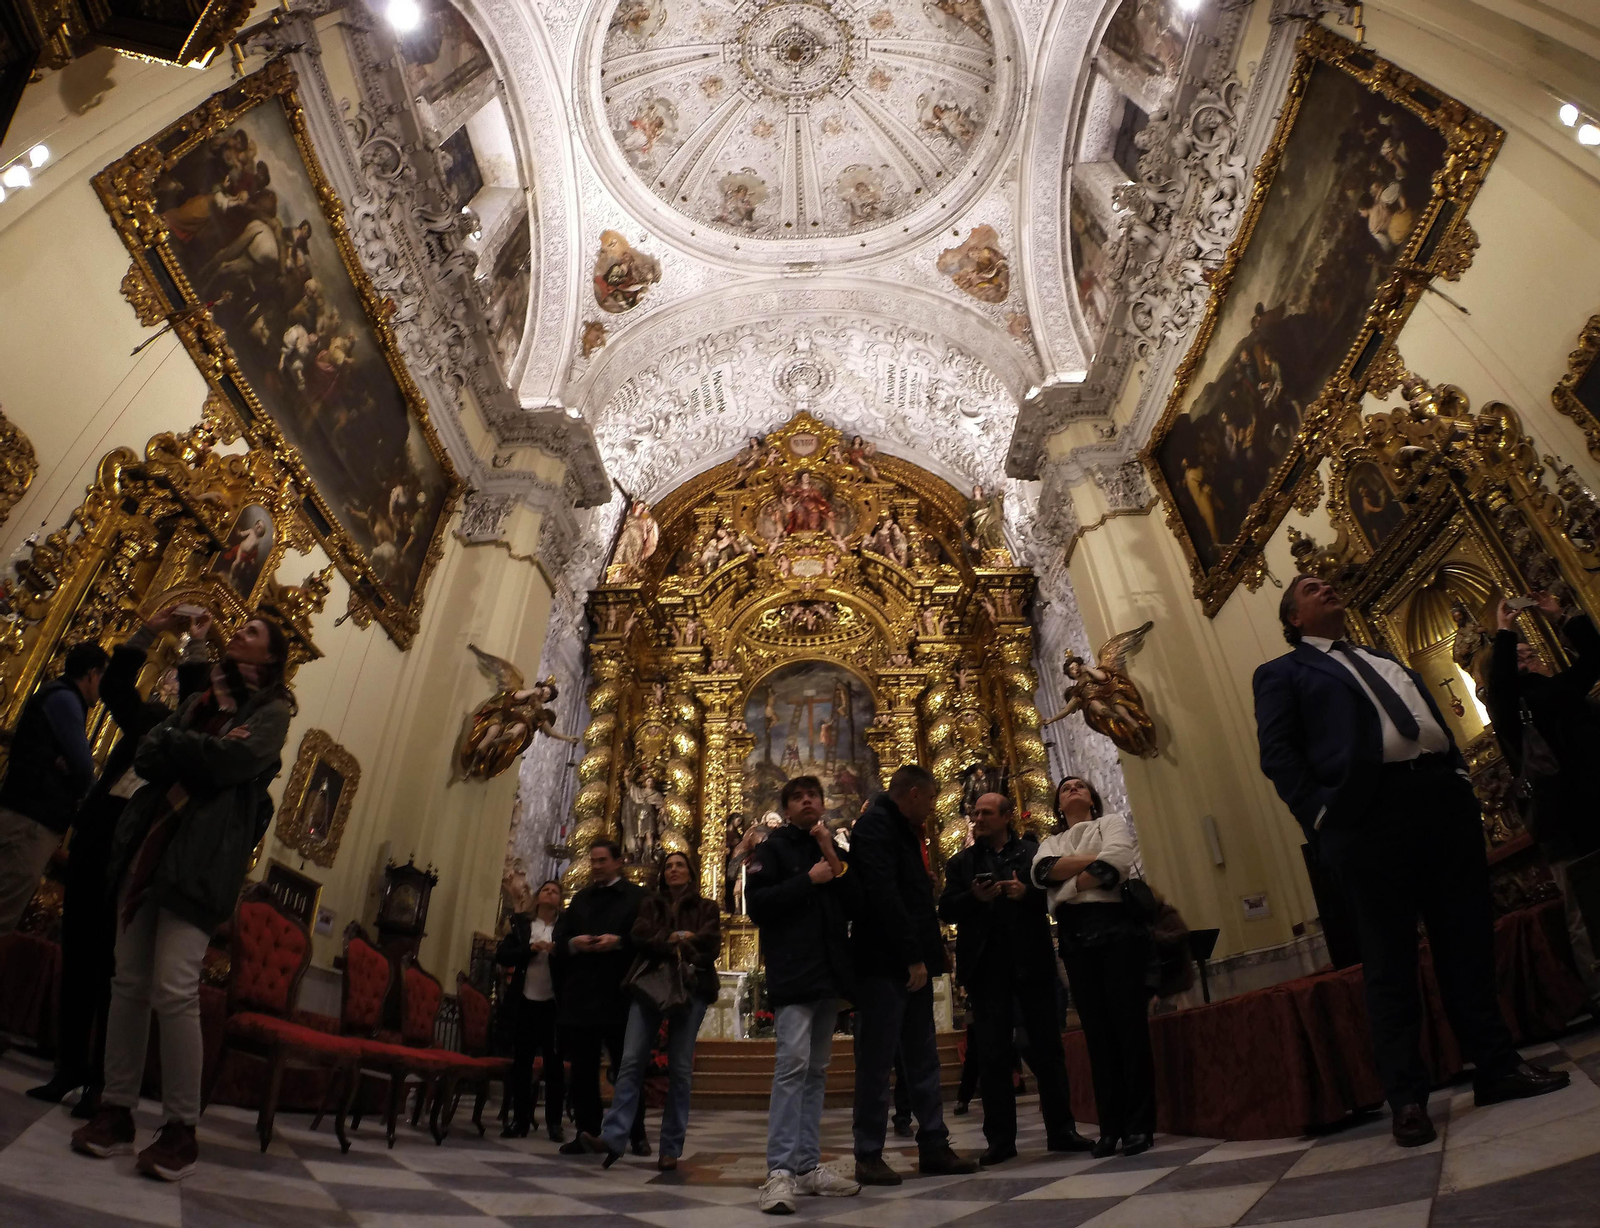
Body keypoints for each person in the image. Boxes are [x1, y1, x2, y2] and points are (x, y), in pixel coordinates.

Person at [1254, 575, 1569, 1148]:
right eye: (1309, 586)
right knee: (1389, 959)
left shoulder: (1381, 655)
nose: (1324, 585)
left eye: (1325, 581)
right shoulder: (1283, 673)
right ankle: (1407, 1098)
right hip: (1367, 818)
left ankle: (1496, 1068)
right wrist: (1324, 818)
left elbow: (1432, 723)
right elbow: (1277, 754)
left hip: (1439, 803)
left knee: (1466, 944)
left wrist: (1455, 777)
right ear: (1293, 618)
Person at [71, 614, 295, 1181]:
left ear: (269, 659)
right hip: (151, 847)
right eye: (238, 628)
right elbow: (147, 753)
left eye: (249, 634)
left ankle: (179, 1129)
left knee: (173, 989)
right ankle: (116, 1110)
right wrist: (187, 744)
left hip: (200, 863)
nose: (237, 634)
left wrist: (181, 746)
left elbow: (231, 763)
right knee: (128, 984)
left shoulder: (271, 712)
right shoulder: (200, 699)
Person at [28, 608, 211, 1113]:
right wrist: (150, 629)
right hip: (98, 832)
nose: (176, 692)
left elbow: (196, 695)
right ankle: (68, 1068)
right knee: (79, 949)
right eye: (171, 683)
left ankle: (101, 1082)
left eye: (186, 686)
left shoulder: (195, 739)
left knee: (115, 964)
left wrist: (197, 644)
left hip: (138, 844)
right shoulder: (148, 719)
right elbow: (113, 687)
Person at [941, 792, 1092, 1164]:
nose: (978, 819)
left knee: (1047, 1049)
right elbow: (945, 908)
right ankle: (1000, 1141)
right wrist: (975, 897)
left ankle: (1062, 1130)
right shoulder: (961, 862)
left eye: (987, 813)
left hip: (1032, 962)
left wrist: (1026, 893)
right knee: (993, 1056)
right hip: (986, 969)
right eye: (975, 813)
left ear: (1007, 816)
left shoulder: (1032, 854)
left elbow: (1057, 894)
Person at [849, 764, 977, 1185]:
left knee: (922, 1059)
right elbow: (883, 896)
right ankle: (868, 1154)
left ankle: (934, 1145)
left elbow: (911, 895)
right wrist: (913, 957)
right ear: (916, 793)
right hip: (886, 964)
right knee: (876, 1060)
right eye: (933, 798)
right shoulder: (874, 826)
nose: (934, 808)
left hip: (909, 960)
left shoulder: (902, 829)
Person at [745, 775, 862, 1213]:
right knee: (791, 1066)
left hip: (829, 972)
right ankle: (779, 1171)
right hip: (794, 971)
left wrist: (830, 854)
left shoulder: (832, 849)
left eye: (813, 795)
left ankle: (809, 1166)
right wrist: (808, 881)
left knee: (817, 1071)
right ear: (788, 808)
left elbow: (855, 903)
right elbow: (757, 904)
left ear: (823, 803)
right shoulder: (772, 849)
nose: (808, 801)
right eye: (798, 797)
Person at [1484, 593, 1600, 998]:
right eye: (1518, 657)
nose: (1527, 660)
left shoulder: (1561, 691)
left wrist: (1563, 615)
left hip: (1595, 805)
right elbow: (1497, 684)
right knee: (1584, 911)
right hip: (1564, 821)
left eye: (1531, 652)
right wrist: (1504, 632)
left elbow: (1595, 658)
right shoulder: (1511, 707)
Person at [1031, 777, 1153, 1157]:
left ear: (1092, 798)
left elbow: (1117, 860)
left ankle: (1139, 1125)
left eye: (1080, 786)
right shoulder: (1049, 842)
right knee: (1097, 1034)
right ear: (1058, 804)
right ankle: (1110, 1127)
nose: (1073, 790)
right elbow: (1040, 874)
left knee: (1128, 1028)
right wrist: (1093, 864)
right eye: (1066, 788)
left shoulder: (1111, 823)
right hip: (1075, 939)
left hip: (1116, 932)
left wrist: (1063, 888)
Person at [584, 850, 721, 1171]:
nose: (673, 870)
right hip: (649, 987)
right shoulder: (651, 903)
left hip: (691, 989)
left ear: (691, 873)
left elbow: (711, 944)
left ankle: (671, 1147)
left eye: (680, 866)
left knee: (681, 1069)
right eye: (668, 866)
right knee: (631, 1060)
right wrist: (678, 938)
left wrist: (677, 942)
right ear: (662, 874)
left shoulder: (706, 907)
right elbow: (640, 935)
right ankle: (615, 1135)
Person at [0, 641, 108, 934]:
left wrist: (68, 764)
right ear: (92, 674)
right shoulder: (65, 699)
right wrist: (73, 770)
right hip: (30, 823)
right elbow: (85, 769)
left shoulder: (60, 697)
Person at [552, 840, 649, 1156]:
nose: (595, 866)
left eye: (602, 860)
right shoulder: (579, 899)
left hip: (620, 993)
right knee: (582, 1069)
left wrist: (618, 942)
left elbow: (647, 939)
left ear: (619, 862)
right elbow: (560, 938)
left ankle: (636, 1133)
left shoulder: (638, 898)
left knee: (627, 1067)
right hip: (582, 995)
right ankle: (586, 1131)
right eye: (592, 861)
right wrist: (574, 943)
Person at [496, 878, 566, 1140]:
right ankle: (520, 1121)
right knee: (522, 1064)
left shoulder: (564, 927)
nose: (550, 893)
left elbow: (573, 956)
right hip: (524, 1001)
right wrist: (530, 949)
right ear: (538, 897)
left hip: (553, 1004)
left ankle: (554, 1124)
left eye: (555, 891)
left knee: (554, 1065)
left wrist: (557, 951)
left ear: (560, 900)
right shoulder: (522, 925)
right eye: (546, 890)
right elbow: (503, 954)